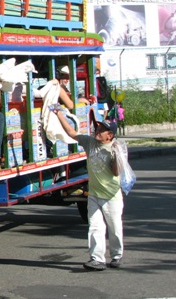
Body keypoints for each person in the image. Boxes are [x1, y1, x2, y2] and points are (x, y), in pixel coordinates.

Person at [52, 110, 123, 271]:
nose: (96, 131)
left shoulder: (114, 148)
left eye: (100, 130)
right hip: (94, 194)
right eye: (97, 128)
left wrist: (117, 156)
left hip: (111, 196)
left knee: (114, 228)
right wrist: (59, 115)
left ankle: (116, 255)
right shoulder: (90, 142)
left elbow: (116, 172)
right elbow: (71, 133)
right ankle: (97, 259)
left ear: (109, 135)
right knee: (95, 227)